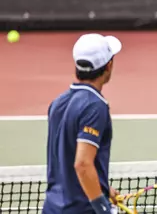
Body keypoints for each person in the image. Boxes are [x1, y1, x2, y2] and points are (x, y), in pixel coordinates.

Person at [42, 33, 122, 214]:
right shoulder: (95, 106)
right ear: (109, 66)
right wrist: (103, 208)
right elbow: (82, 164)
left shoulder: (58, 103)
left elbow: (67, 157)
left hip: (52, 208)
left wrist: (101, 188)